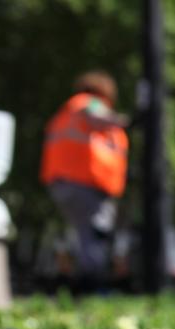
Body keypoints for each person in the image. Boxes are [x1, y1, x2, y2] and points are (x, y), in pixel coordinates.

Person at [40, 71, 129, 291]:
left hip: (65, 181)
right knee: (94, 236)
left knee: (81, 235)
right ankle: (92, 288)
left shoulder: (68, 110)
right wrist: (125, 121)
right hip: (83, 183)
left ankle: (76, 281)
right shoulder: (89, 103)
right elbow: (98, 117)